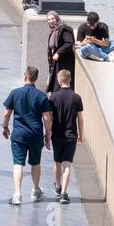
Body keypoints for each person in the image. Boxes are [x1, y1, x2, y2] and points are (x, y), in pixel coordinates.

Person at [2, 67, 54, 205]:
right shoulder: (41, 95)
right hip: (35, 134)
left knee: (18, 163)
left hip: (19, 134)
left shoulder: (15, 93)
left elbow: (6, 113)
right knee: (36, 163)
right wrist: (48, 133)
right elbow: (47, 118)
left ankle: (17, 194)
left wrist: (5, 126)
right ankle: (35, 190)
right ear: (36, 78)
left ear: (25, 76)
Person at [49, 69, 84, 204]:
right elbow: (80, 119)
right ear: (70, 80)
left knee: (57, 162)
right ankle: (64, 193)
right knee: (67, 164)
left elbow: (49, 117)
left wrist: (48, 133)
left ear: (59, 80)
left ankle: (57, 186)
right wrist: (81, 135)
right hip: (71, 136)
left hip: (57, 135)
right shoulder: (76, 98)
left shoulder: (53, 97)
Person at [45, 11, 75, 94]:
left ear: (57, 18)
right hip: (56, 62)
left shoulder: (64, 29)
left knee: (60, 83)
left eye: (53, 19)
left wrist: (58, 53)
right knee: (55, 83)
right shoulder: (54, 30)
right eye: (49, 19)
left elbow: (69, 42)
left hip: (64, 62)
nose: (51, 21)